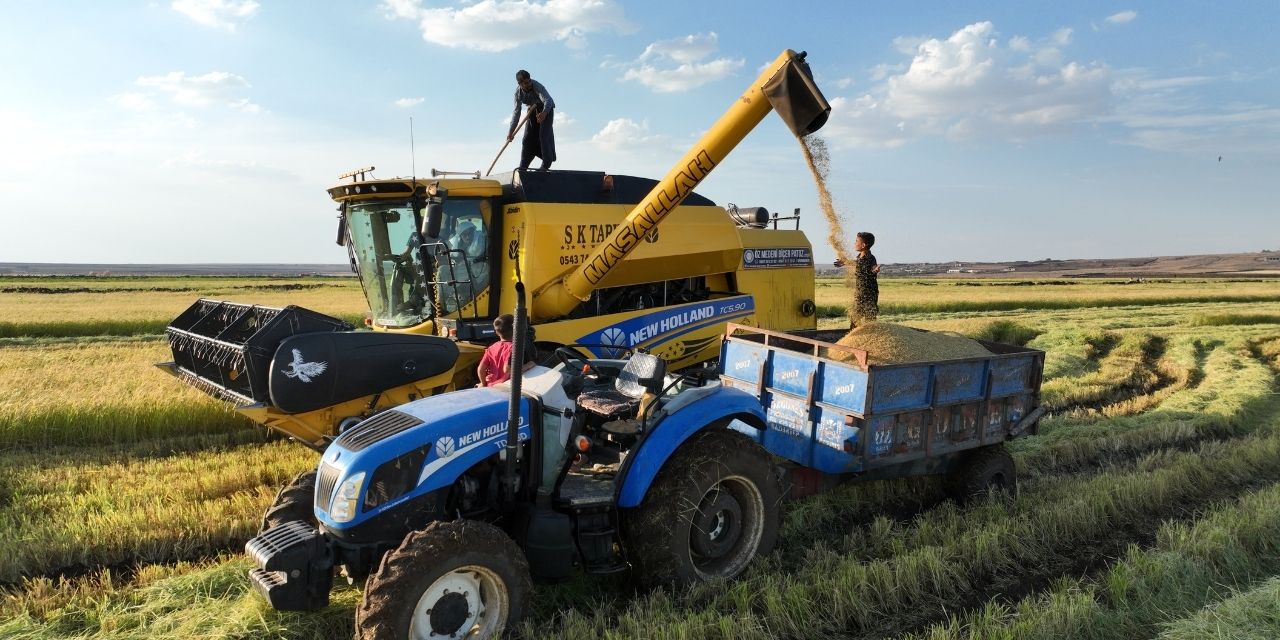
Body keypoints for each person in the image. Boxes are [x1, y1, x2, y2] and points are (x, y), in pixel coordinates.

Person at [507, 70, 556, 171]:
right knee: (527, 138)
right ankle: (523, 166)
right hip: (532, 110)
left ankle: (546, 164)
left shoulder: (536, 85)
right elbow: (516, 113)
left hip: (546, 109)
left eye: (529, 81)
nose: (529, 84)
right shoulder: (518, 93)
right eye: (525, 83)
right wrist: (511, 132)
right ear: (520, 84)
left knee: (543, 135)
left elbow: (548, 100)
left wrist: (544, 113)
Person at [851, 231, 881, 324]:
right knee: (855, 318)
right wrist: (844, 262)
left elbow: (873, 267)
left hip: (869, 293)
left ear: (863, 245)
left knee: (870, 318)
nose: (854, 243)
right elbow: (855, 263)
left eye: (857, 241)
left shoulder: (871, 258)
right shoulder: (859, 257)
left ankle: (870, 333)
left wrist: (874, 270)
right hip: (859, 292)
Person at [477, 314, 515, 387]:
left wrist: (483, 383)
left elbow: (480, 369)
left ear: (497, 333)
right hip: (504, 386)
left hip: (491, 385)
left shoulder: (491, 348)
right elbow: (507, 369)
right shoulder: (513, 347)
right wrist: (529, 365)